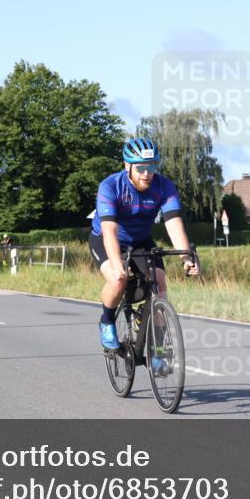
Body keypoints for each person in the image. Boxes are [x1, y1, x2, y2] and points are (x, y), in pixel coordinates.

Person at [90, 137, 199, 356]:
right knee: (118, 278)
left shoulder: (164, 186)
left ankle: (157, 347)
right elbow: (109, 231)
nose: (147, 173)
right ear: (127, 166)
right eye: (141, 168)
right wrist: (115, 262)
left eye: (151, 166)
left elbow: (174, 224)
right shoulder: (110, 187)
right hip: (107, 238)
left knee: (159, 283)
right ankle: (107, 322)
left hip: (140, 240)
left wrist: (187, 258)